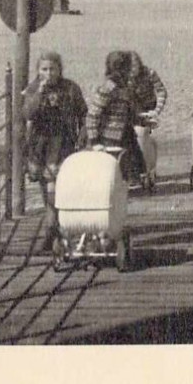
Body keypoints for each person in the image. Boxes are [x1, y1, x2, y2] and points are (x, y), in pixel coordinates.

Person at [23, 51, 88, 252]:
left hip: (63, 144)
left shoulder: (70, 88)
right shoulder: (33, 89)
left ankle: (53, 229)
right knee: (47, 189)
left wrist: (83, 134)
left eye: (53, 69)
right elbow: (28, 113)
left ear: (60, 69)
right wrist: (40, 93)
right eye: (44, 69)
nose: (49, 73)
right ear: (38, 70)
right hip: (40, 145)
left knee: (56, 189)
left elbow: (83, 113)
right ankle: (53, 227)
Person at [87, 51, 146, 184]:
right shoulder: (108, 89)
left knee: (132, 161)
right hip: (108, 136)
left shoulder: (126, 87)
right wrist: (94, 140)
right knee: (112, 164)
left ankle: (128, 182)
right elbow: (93, 115)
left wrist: (142, 120)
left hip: (125, 133)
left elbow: (128, 112)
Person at [128, 51, 167, 189]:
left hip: (147, 112)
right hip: (131, 113)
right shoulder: (123, 78)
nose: (132, 70)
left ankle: (148, 169)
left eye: (135, 66)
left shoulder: (149, 73)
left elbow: (161, 91)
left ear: (139, 64)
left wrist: (156, 111)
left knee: (142, 134)